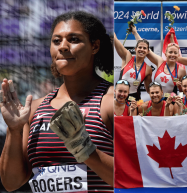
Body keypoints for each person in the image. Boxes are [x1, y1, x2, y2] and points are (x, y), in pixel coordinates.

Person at [0, 11, 114, 192]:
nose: (63, 46)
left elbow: (134, 177)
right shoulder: (35, 109)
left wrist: (84, 149)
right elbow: (11, 183)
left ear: (95, 46)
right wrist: (14, 130)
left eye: (74, 39)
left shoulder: (112, 102)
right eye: (56, 41)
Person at [131, 26, 186, 96]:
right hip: (156, 99)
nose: (173, 55)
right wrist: (135, 33)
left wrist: (179, 92)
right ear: (165, 53)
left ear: (178, 55)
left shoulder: (181, 70)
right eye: (170, 52)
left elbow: (183, 91)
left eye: (175, 53)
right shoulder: (160, 62)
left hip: (170, 101)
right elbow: (147, 50)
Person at [114, 30, 152, 101]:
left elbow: (149, 90)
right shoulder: (128, 57)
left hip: (134, 99)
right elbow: (115, 40)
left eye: (144, 48)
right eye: (140, 47)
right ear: (135, 49)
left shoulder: (148, 69)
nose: (142, 50)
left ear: (148, 51)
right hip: (120, 96)